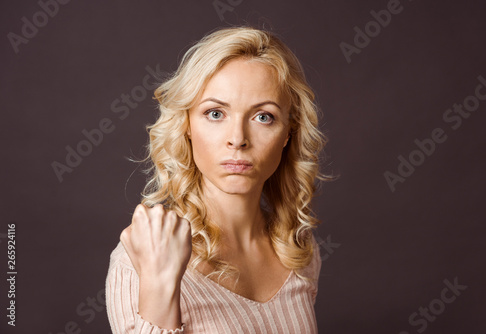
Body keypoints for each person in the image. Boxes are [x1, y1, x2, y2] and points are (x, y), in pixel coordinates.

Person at [105, 26, 329, 334]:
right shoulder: (140, 258)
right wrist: (160, 282)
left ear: (288, 134)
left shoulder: (299, 249)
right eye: (215, 113)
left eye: (263, 116)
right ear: (186, 125)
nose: (237, 139)